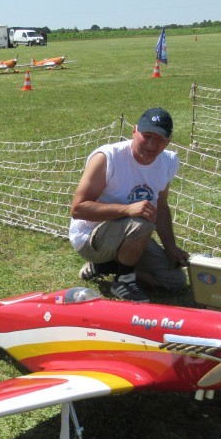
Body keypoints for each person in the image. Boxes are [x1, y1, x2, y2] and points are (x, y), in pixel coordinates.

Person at [69, 107, 190, 303]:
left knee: (174, 280)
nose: (151, 144)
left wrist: (171, 248)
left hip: (132, 234)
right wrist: (126, 210)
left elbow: (161, 205)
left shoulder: (168, 162)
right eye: (147, 135)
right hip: (90, 238)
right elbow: (78, 209)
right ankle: (123, 281)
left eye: (160, 139)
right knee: (141, 223)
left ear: (169, 140)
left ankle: (105, 267)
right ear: (134, 131)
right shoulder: (107, 158)